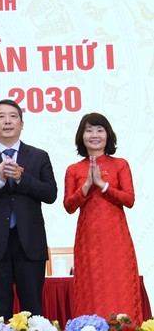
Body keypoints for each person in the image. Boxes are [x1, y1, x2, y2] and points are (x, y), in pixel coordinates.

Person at [0, 100, 57, 321]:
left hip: (30, 244)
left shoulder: (39, 156)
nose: (7, 121)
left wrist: (21, 178)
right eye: (1, 117)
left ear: (22, 124)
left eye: (13, 116)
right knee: (0, 312)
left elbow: (50, 194)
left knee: (33, 311)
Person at [63, 113, 142, 323]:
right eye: (89, 130)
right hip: (88, 242)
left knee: (120, 289)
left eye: (100, 130)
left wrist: (103, 185)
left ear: (108, 135)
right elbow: (69, 206)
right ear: (81, 136)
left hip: (116, 241)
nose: (94, 135)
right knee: (91, 291)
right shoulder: (74, 169)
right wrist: (86, 186)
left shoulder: (120, 164)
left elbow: (129, 199)